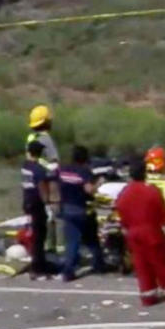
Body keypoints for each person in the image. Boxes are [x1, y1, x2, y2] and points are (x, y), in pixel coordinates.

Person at [115, 160, 165, 306]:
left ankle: (148, 295)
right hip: (151, 231)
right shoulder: (151, 190)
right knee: (161, 263)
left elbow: (121, 214)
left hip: (133, 233)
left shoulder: (124, 193)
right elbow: (162, 214)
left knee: (142, 265)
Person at [57, 145, 106, 282]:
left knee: (72, 241)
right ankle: (97, 264)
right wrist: (99, 183)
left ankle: (69, 270)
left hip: (66, 207)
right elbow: (89, 190)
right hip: (81, 209)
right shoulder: (84, 171)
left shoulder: (63, 169)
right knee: (90, 239)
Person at [26, 105, 61, 252]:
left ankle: (37, 243)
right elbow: (54, 162)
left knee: (36, 214)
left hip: (33, 180)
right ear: (46, 122)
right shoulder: (46, 139)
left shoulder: (31, 137)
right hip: (47, 180)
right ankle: (50, 246)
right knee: (50, 214)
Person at [21, 141, 56, 279]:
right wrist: (47, 203)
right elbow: (42, 190)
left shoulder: (25, 166)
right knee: (39, 237)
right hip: (37, 206)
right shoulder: (38, 169)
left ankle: (38, 263)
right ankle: (38, 267)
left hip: (28, 202)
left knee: (35, 235)